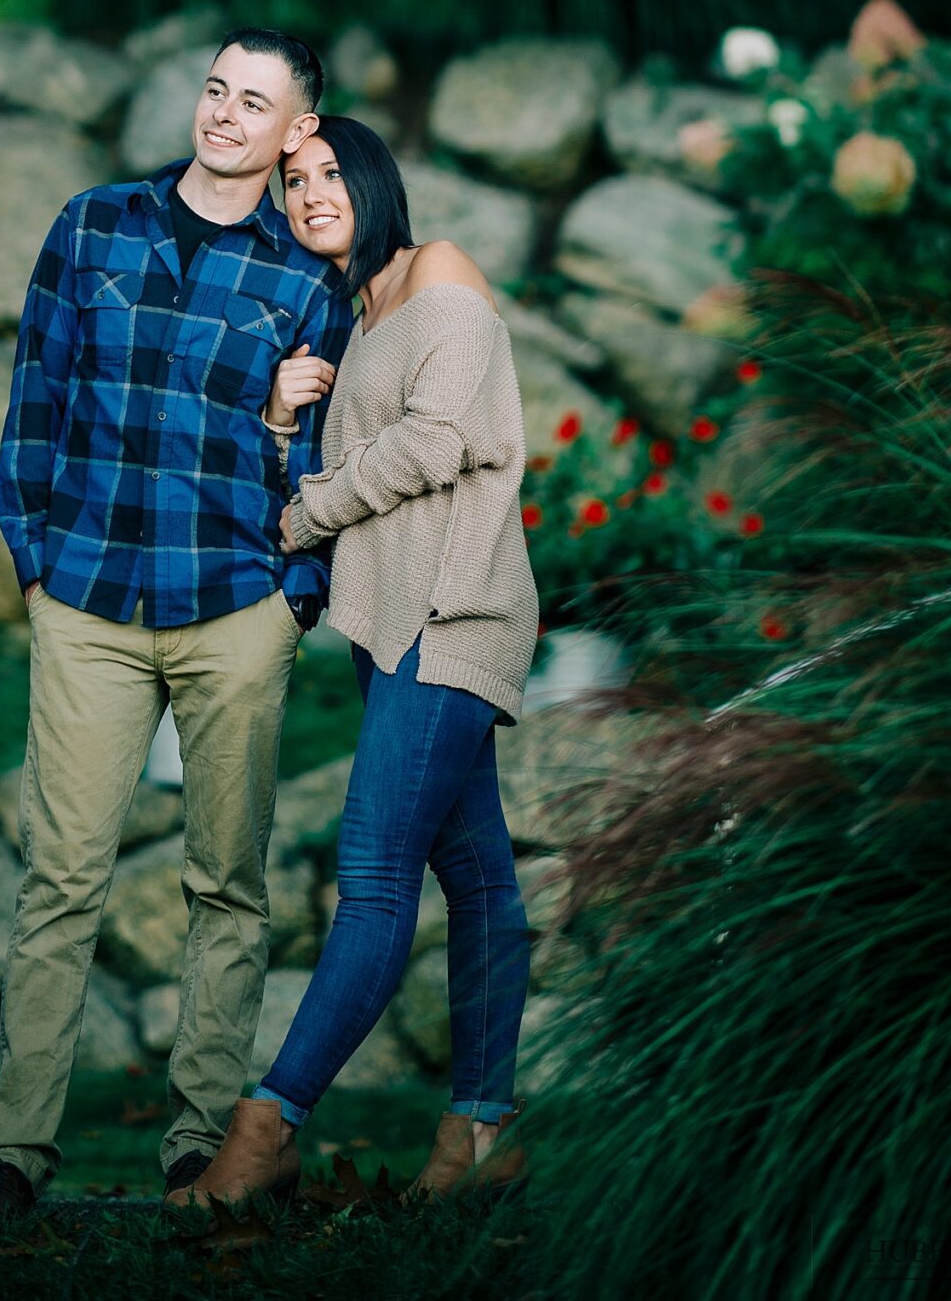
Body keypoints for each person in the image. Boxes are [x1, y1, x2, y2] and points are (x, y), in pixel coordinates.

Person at [0, 31, 357, 1218]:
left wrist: (292, 601)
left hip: (234, 607)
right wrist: (32, 563)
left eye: (255, 104)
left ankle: (197, 1144)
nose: (223, 116)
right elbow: (33, 400)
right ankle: (13, 1152)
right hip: (85, 599)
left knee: (225, 883)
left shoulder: (305, 277)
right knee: (60, 879)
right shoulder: (92, 225)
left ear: (296, 132)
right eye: (214, 90)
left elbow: (324, 458)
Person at [168, 114, 540, 1215]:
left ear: (373, 182)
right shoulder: (349, 313)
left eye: (330, 172)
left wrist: (300, 510)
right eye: (293, 181)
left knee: (372, 877)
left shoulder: (438, 271)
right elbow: (330, 480)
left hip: (456, 610)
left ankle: (267, 1122)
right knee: (477, 885)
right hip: (395, 625)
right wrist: (287, 426)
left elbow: (433, 441)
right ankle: (481, 1129)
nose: (310, 191)